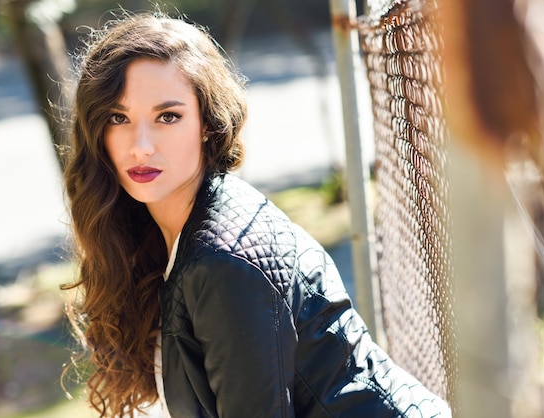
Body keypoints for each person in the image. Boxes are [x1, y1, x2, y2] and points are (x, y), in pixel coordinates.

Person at [61, 9, 451, 418]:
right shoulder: (171, 227)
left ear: (207, 123)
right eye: (118, 118)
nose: (140, 145)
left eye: (168, 117)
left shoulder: (223, 264)